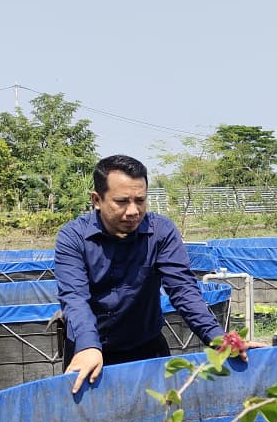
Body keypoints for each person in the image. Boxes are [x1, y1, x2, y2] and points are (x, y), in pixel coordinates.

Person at [56, 154, 234, 394]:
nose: (133, 211)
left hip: (146, 347)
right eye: (121, 201)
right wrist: (87, 346)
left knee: (160, 420)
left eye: (140, 200)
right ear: (97, 200)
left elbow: (183, 290)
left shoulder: (161, 232)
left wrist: (218, 338)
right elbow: (75, 298)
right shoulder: (73, 237)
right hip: (89, 352)